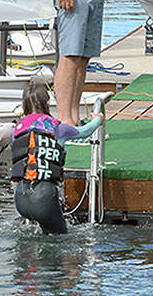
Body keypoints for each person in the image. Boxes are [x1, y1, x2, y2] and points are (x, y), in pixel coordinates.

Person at [7, 76, 103, 234]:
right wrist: (97, 120)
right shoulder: (59, 128)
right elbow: (86, 131)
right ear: (47, 103)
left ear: (24, 105)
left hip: (20, 198)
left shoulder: (18, 129)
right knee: (59, 239)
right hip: (44, 198)